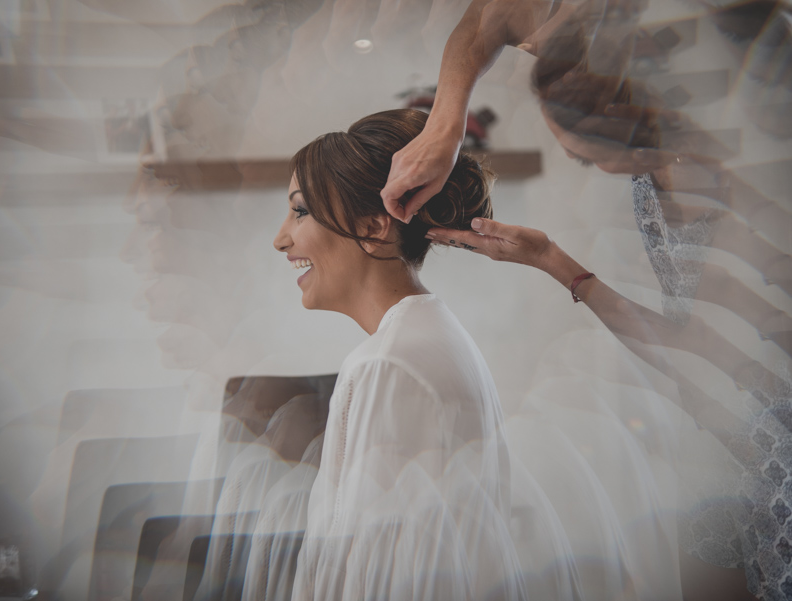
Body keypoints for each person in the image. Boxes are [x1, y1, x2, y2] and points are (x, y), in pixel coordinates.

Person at [387, 4, 792, 599]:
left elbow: (699, 352)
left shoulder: (747, 198)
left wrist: (553, 265)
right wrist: (443, 126)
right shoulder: (623, 62)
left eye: (593, 154)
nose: (597, 168)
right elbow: (491, 16)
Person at [270, 108, 683, 600]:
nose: (281, 239)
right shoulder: (429, 330)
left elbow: (382, 577)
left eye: (300, 211)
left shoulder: (389, 363)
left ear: (374, 225)